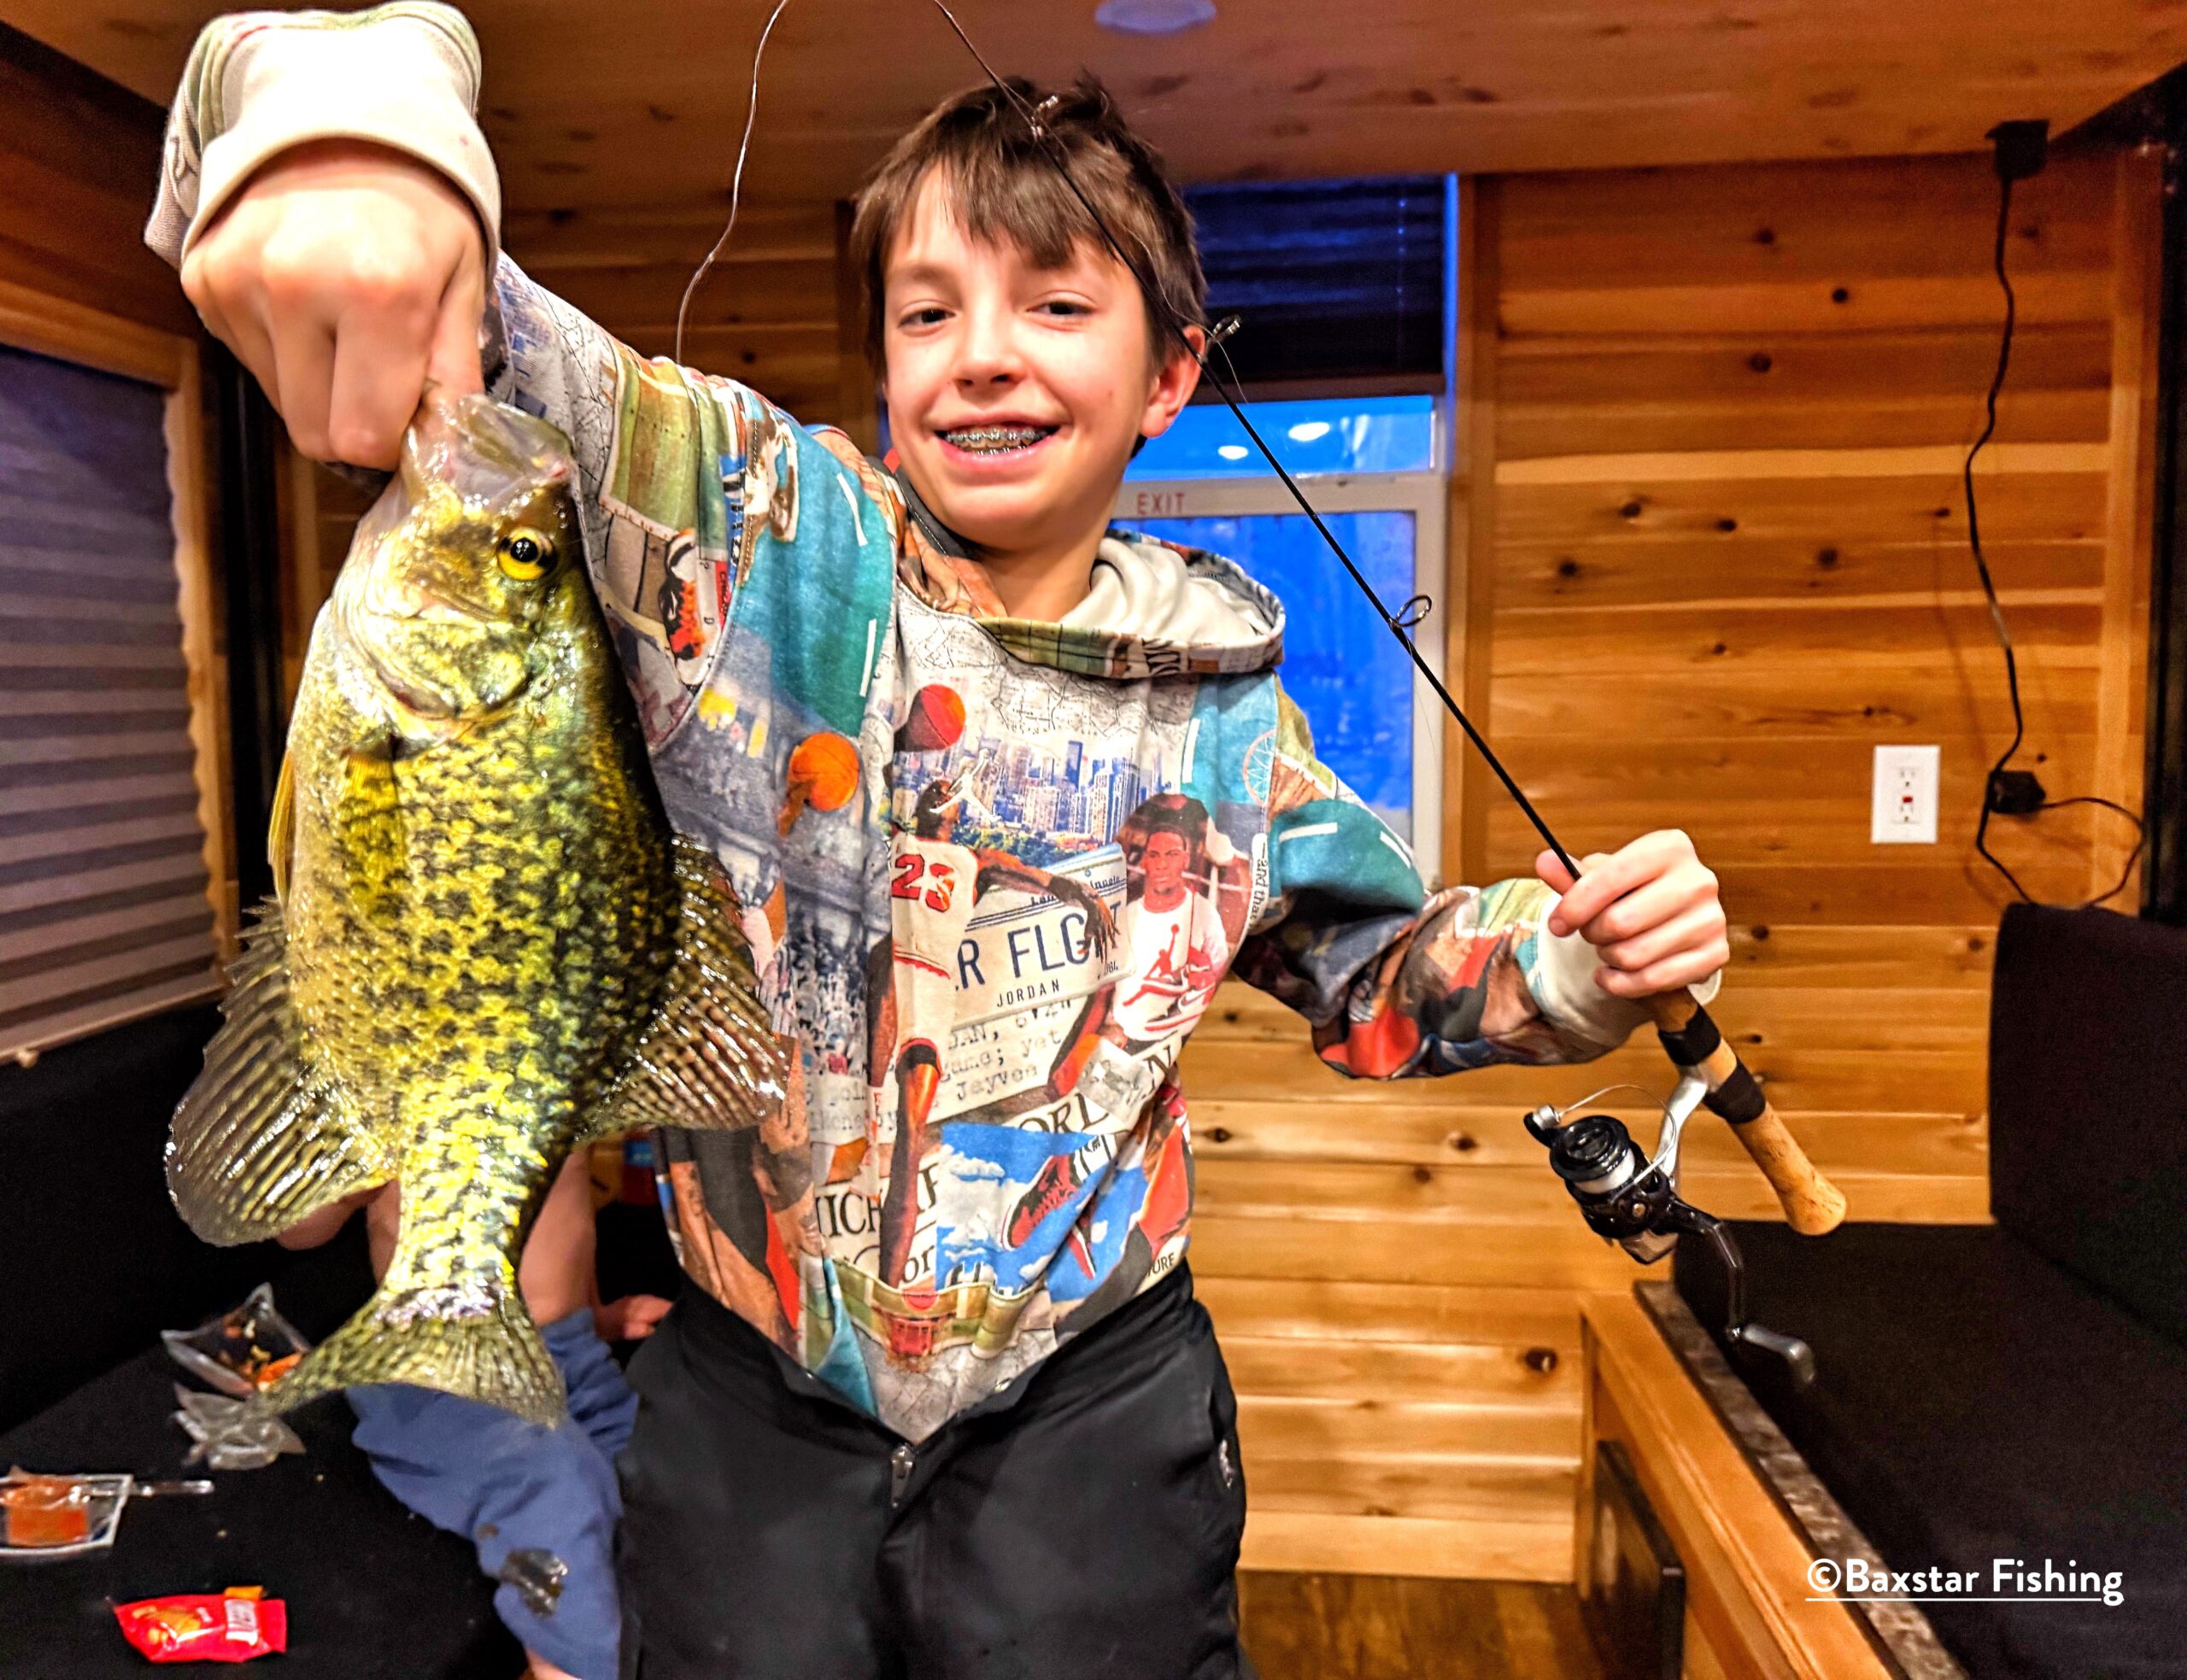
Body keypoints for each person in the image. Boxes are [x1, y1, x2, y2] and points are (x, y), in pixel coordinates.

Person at [149, 9, 1731, 1673]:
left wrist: (1576, 958)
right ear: (888, 371)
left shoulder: (1226, 714)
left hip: (1089, 1428)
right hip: (749, 1418)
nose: (983, 351)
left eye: (1056, 303)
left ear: (1170, 370)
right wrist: (364, 137)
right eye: (928, 310)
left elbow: (1382, 979)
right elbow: (502, 340)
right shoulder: (761, 534)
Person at [278, 1156, 665, 1680]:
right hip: (448, 1374)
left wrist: (601, 1317)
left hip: (571, 1358)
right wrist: (344, 1182)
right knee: (554, 1490)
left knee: (667, 1478)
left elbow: (565, 1229)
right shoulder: (392, 1089)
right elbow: (295, 1229)